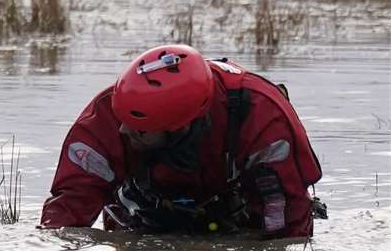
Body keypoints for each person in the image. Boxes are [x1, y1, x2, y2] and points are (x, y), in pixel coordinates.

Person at [40, 44, 324, 237]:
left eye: (140, 130)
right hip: (141, 211)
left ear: (181, 127)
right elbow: (67, 211)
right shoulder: (109, 114)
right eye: (123, 118)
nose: (124, 130)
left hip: (234, 210)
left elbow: (285, 219)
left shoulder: (261, 116)